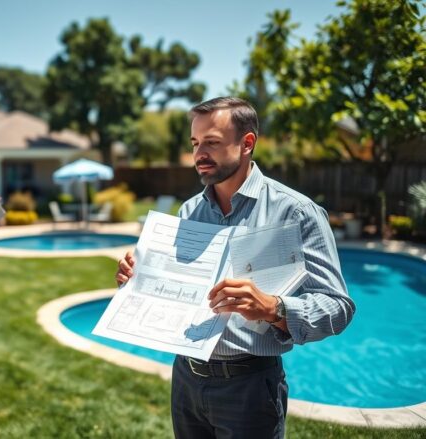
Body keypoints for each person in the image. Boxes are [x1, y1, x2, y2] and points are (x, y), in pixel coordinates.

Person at [116, 97, 355, 438]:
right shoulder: (188, 213)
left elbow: (338, 307)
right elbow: (174, 292)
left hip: (250, 388)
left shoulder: (296, 212)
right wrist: (137, 278)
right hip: (186, 379)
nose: (199, 154)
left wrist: (274, 308)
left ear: (247, 144)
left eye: (211, 142)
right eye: (196, 144)